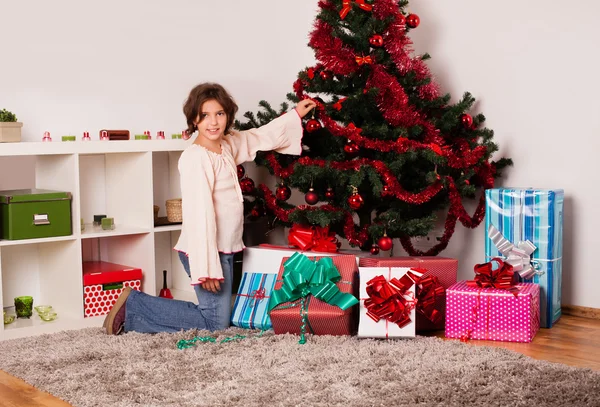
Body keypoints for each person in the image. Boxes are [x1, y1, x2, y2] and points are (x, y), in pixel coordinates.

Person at [104, 83, 316, 334]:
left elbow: (256, 136)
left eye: (219, 114)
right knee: (214, 323)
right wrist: (208, 269)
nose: (213, 122)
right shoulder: (197, 158)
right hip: (204, 250)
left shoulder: (226, 145)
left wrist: (295, 115)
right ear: (194, 119)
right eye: (204, 116)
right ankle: (134, 304)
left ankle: (135, 317)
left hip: (222, 249)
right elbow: (200, 216)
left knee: (218, 317)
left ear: (228, 116)